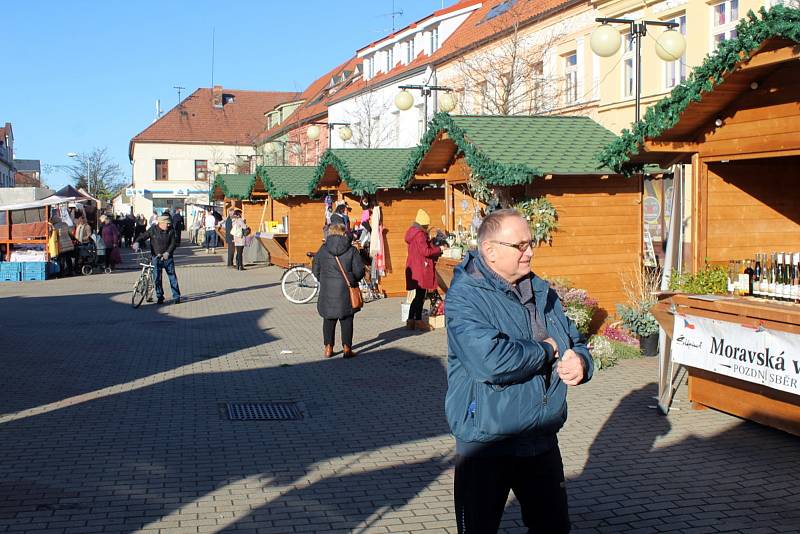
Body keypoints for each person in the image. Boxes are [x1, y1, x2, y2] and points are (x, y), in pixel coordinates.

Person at [444, 209, 593, 534]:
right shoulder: (465, 297)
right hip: (486, 442)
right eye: (520, 245)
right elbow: (491, 361)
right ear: (491, 251)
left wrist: (581, 361)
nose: (530, 251)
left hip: (539, 439)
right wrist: (547, 350)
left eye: (531, 243)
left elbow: (574, 340)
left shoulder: (541, 292)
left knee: (554, 529)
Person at [312, 223, 364, 359]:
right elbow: (359, 271)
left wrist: (323, 280)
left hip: (327, 290)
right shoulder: (351, 250)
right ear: (343, 233)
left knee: (328, 319)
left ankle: (328, 348)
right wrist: (352, 279)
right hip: (345, 290)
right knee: (346, 319)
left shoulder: (323, 249)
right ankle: (347, 349)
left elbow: (315, 269)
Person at [404, 209, 443, 330]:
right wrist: (439, 249)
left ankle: (411, 320)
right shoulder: (420, 234)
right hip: (420, 268)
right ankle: (418, 321)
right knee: (420, 296)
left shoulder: (413, 232)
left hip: (414, 267)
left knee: (418, 295)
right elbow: (425, 251)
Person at [133, 214, 181, 305]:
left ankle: (176, 296)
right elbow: (143, 236)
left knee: (172, 277)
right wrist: (137, 242)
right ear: (161, 223)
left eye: (169, 223)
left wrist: (168, 252)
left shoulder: (171, 230)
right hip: (156, 257)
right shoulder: (153, 230)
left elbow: (173, 243)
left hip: (168, 258)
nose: (168, 225)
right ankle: (160, 296)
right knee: (157, 278)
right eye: (167, 223)